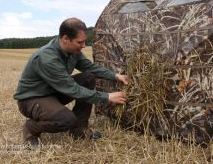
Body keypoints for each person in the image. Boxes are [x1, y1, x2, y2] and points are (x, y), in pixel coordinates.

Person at [14, 17, 128, 147]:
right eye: (80, 42)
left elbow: (89, 67)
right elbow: (72, 89)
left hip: (53, 92)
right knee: (66, 120)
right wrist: (106, 97)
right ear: (65, 39)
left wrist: (115, 75)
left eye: (85, 41)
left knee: (88, 77)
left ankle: (79, 130)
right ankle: (31, 128)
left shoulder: (72, 50)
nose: (84, 46)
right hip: (32, 99)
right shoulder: (47, 58)